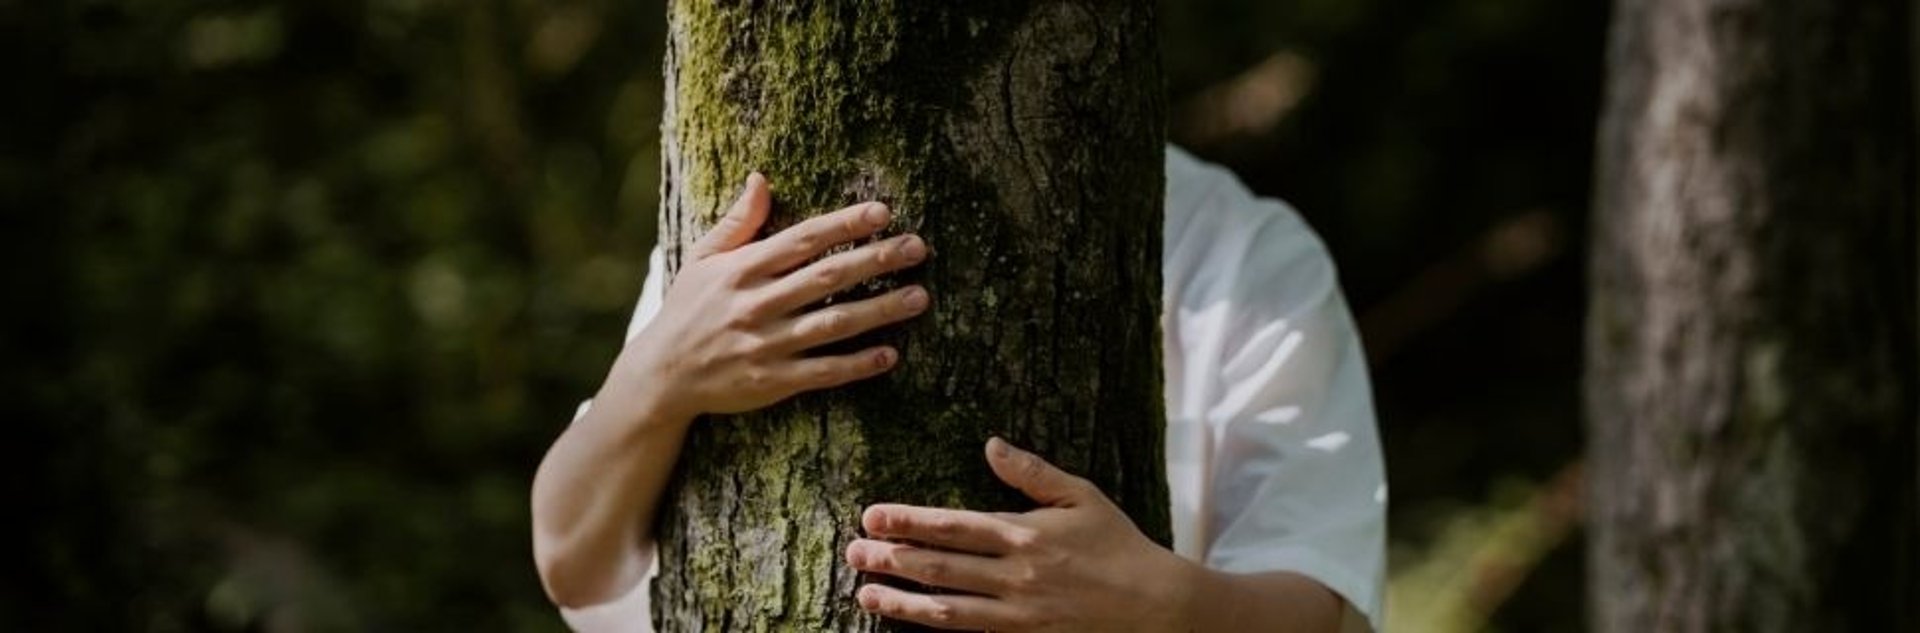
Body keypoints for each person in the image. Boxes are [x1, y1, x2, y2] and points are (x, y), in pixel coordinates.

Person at [531, 146, 1386, 632]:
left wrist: (1162, 604)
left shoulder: (1245, 254)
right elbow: (572, 559)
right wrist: (655, 377)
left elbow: (1322, 606)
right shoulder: (755, 214)